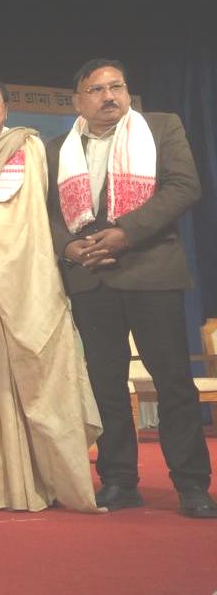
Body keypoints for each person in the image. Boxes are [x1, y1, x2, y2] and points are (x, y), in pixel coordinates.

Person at [46, 58, 217, 518]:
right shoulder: (58, 148)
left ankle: (191, 485)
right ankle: (119, 480)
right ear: (78, 101)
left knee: (172, 381)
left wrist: (125, 233)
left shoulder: (161, 127)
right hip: (90, 277)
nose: (109, 97)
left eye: (116, 87)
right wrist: (70, 248)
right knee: (105, 384)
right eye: (97, 90)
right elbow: (47, 213)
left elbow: (184, 187)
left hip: (151, 270)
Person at [0, 78, 101, 512]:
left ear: (7, 109)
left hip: (18, 274)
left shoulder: (25, 147)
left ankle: (44, 481)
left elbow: (23, 212)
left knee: (34, 373)